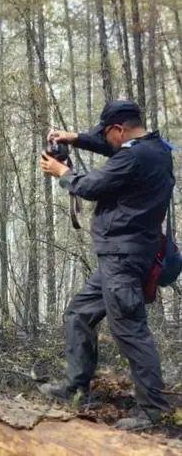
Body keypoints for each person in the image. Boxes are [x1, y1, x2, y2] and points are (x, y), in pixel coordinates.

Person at [39, 99, 174, 430]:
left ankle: (153, 410)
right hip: (127, 254)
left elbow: (90, 186)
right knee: (79, 314)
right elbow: (113, 150)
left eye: (107, 134)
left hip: (122, 258)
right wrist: (76, 138)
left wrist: (63, 173)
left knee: (130, 329)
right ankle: (75, 386)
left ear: (119, 129)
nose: (107, 141)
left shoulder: (132, 157)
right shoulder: (154, 149)